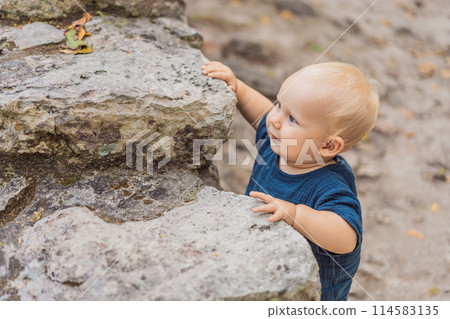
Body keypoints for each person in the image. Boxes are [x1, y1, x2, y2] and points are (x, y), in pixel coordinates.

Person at [201, 61, 379, 300]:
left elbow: (346, 237)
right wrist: (238, 87)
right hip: (266, 263)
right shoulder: (278, 143)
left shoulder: (330, 184)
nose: (275, 120)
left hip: (314, 295)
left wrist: (295, 214)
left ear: (328, 145)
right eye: (279, 104)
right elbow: (262, 113)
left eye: (292, 118)